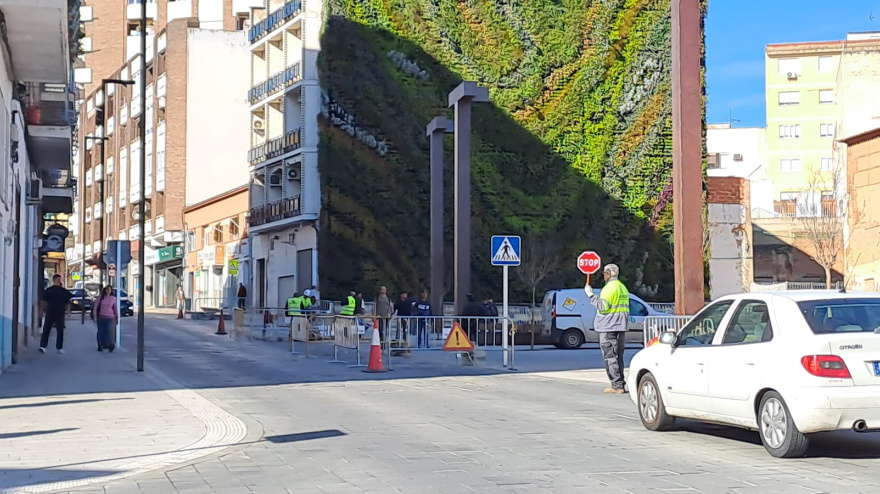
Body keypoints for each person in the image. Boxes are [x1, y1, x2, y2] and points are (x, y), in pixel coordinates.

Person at [587, 264, 630, 394]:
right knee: (618, 356)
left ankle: (616, 385)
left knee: (610, 356)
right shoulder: (622, 287)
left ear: (609, 274)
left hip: (608, 326)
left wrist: (591, 296)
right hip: (620, 326)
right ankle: (620, 382)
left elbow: (602, 306)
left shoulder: (608, 289)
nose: (603, 275)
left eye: (605, 273)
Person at [40, 274, 72, 354]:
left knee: (60, 330)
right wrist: (41, 311)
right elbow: (44, 301)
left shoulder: (64, 292)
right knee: (46, 329)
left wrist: (68, 312)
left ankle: (59, 347)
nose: (59, 281)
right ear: (54, 280)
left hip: (60, 313)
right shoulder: (49, 291)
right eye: (58, 280)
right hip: (50, 312)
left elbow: (67, 302)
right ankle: (43, 346)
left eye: (60, 279)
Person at [92, 286, 118, 352]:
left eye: (110, 289)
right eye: (107, 289)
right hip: (102, 317)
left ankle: (111, 345)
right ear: (105, 290)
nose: (108, 291)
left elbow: (115, 309)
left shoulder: (113, 298)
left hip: (111, 318)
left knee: (110, 332)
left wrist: (117, 318)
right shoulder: (100, 298)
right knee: (101, 332)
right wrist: (95, 316)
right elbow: (95, 307)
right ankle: (100, 345)